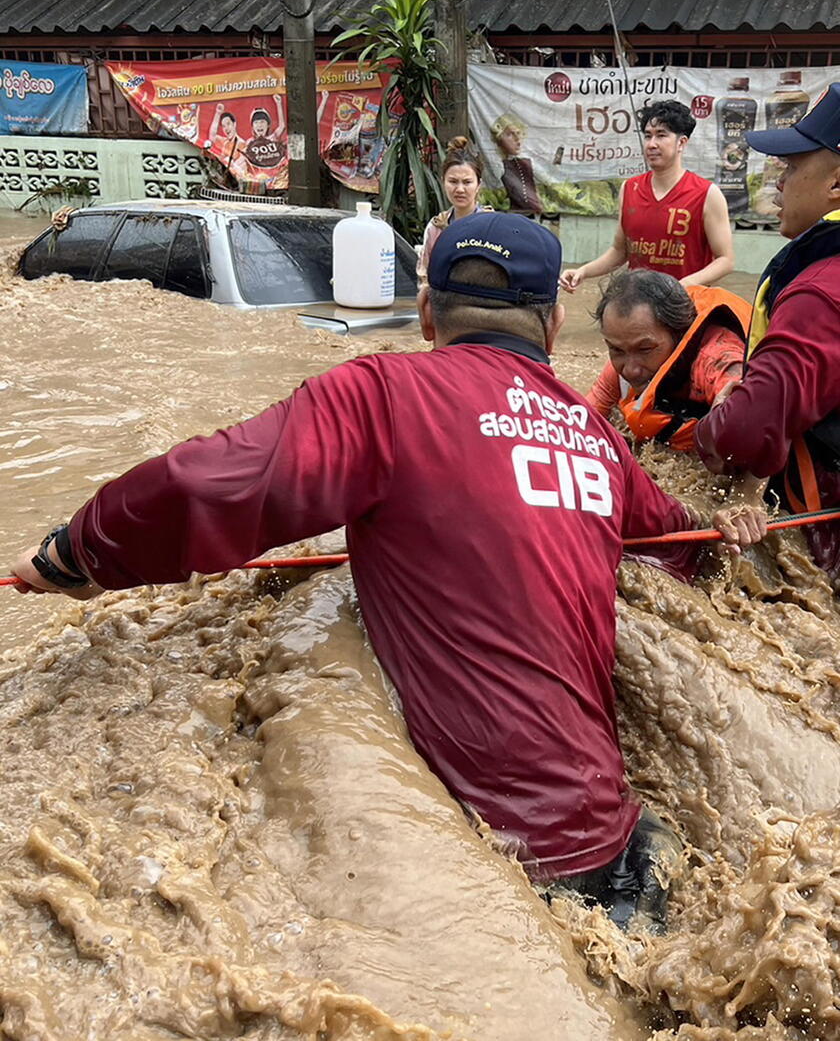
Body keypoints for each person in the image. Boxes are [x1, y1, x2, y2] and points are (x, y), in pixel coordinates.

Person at [10, 214, 761, 932]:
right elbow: (679, 542)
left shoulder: (381, 396)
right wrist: (731, 530)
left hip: (501, 865)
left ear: (428, 312)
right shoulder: (597, 435)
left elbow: (206, 484)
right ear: (555, 328)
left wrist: (76, 554)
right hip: (629, 841)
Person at [695, 82, 840, 579]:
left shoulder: (818, 292)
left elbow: (748, 428)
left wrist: (712, 425)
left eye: (793, 167)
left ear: (836, 184)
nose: (778, 182)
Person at [561, 100, 734, 293]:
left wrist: (683, 286)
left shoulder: (707, 194)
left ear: (682, 143)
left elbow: (725, 260)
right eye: (648, 136)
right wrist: (583, 271)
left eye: (661, 136)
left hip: (685, 306)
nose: (652, 144)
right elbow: (620, 252)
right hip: (637, 304)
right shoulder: (629, 188)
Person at [586, 270, 751, 452]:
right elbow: (583, 422)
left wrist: (727, 425)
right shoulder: (625, 356)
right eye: (616, 349)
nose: (631, 370)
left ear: (680, 334)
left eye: (645, 349)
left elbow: (752, 418)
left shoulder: (715, 360)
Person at [416, 136, 491, 285]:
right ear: (443, 181)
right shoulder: (436, 227)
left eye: (467, 182)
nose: (460, 189)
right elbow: (425, 274)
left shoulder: (491, 225)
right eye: (453, 181)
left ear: (478, 185)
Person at [489, 113, 544, 215]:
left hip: (534, 215)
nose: (517, 139)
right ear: (499, 138)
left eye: (518, 133)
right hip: (512, 215)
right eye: (510, 134)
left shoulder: (526, 163)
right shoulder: (498, 166)